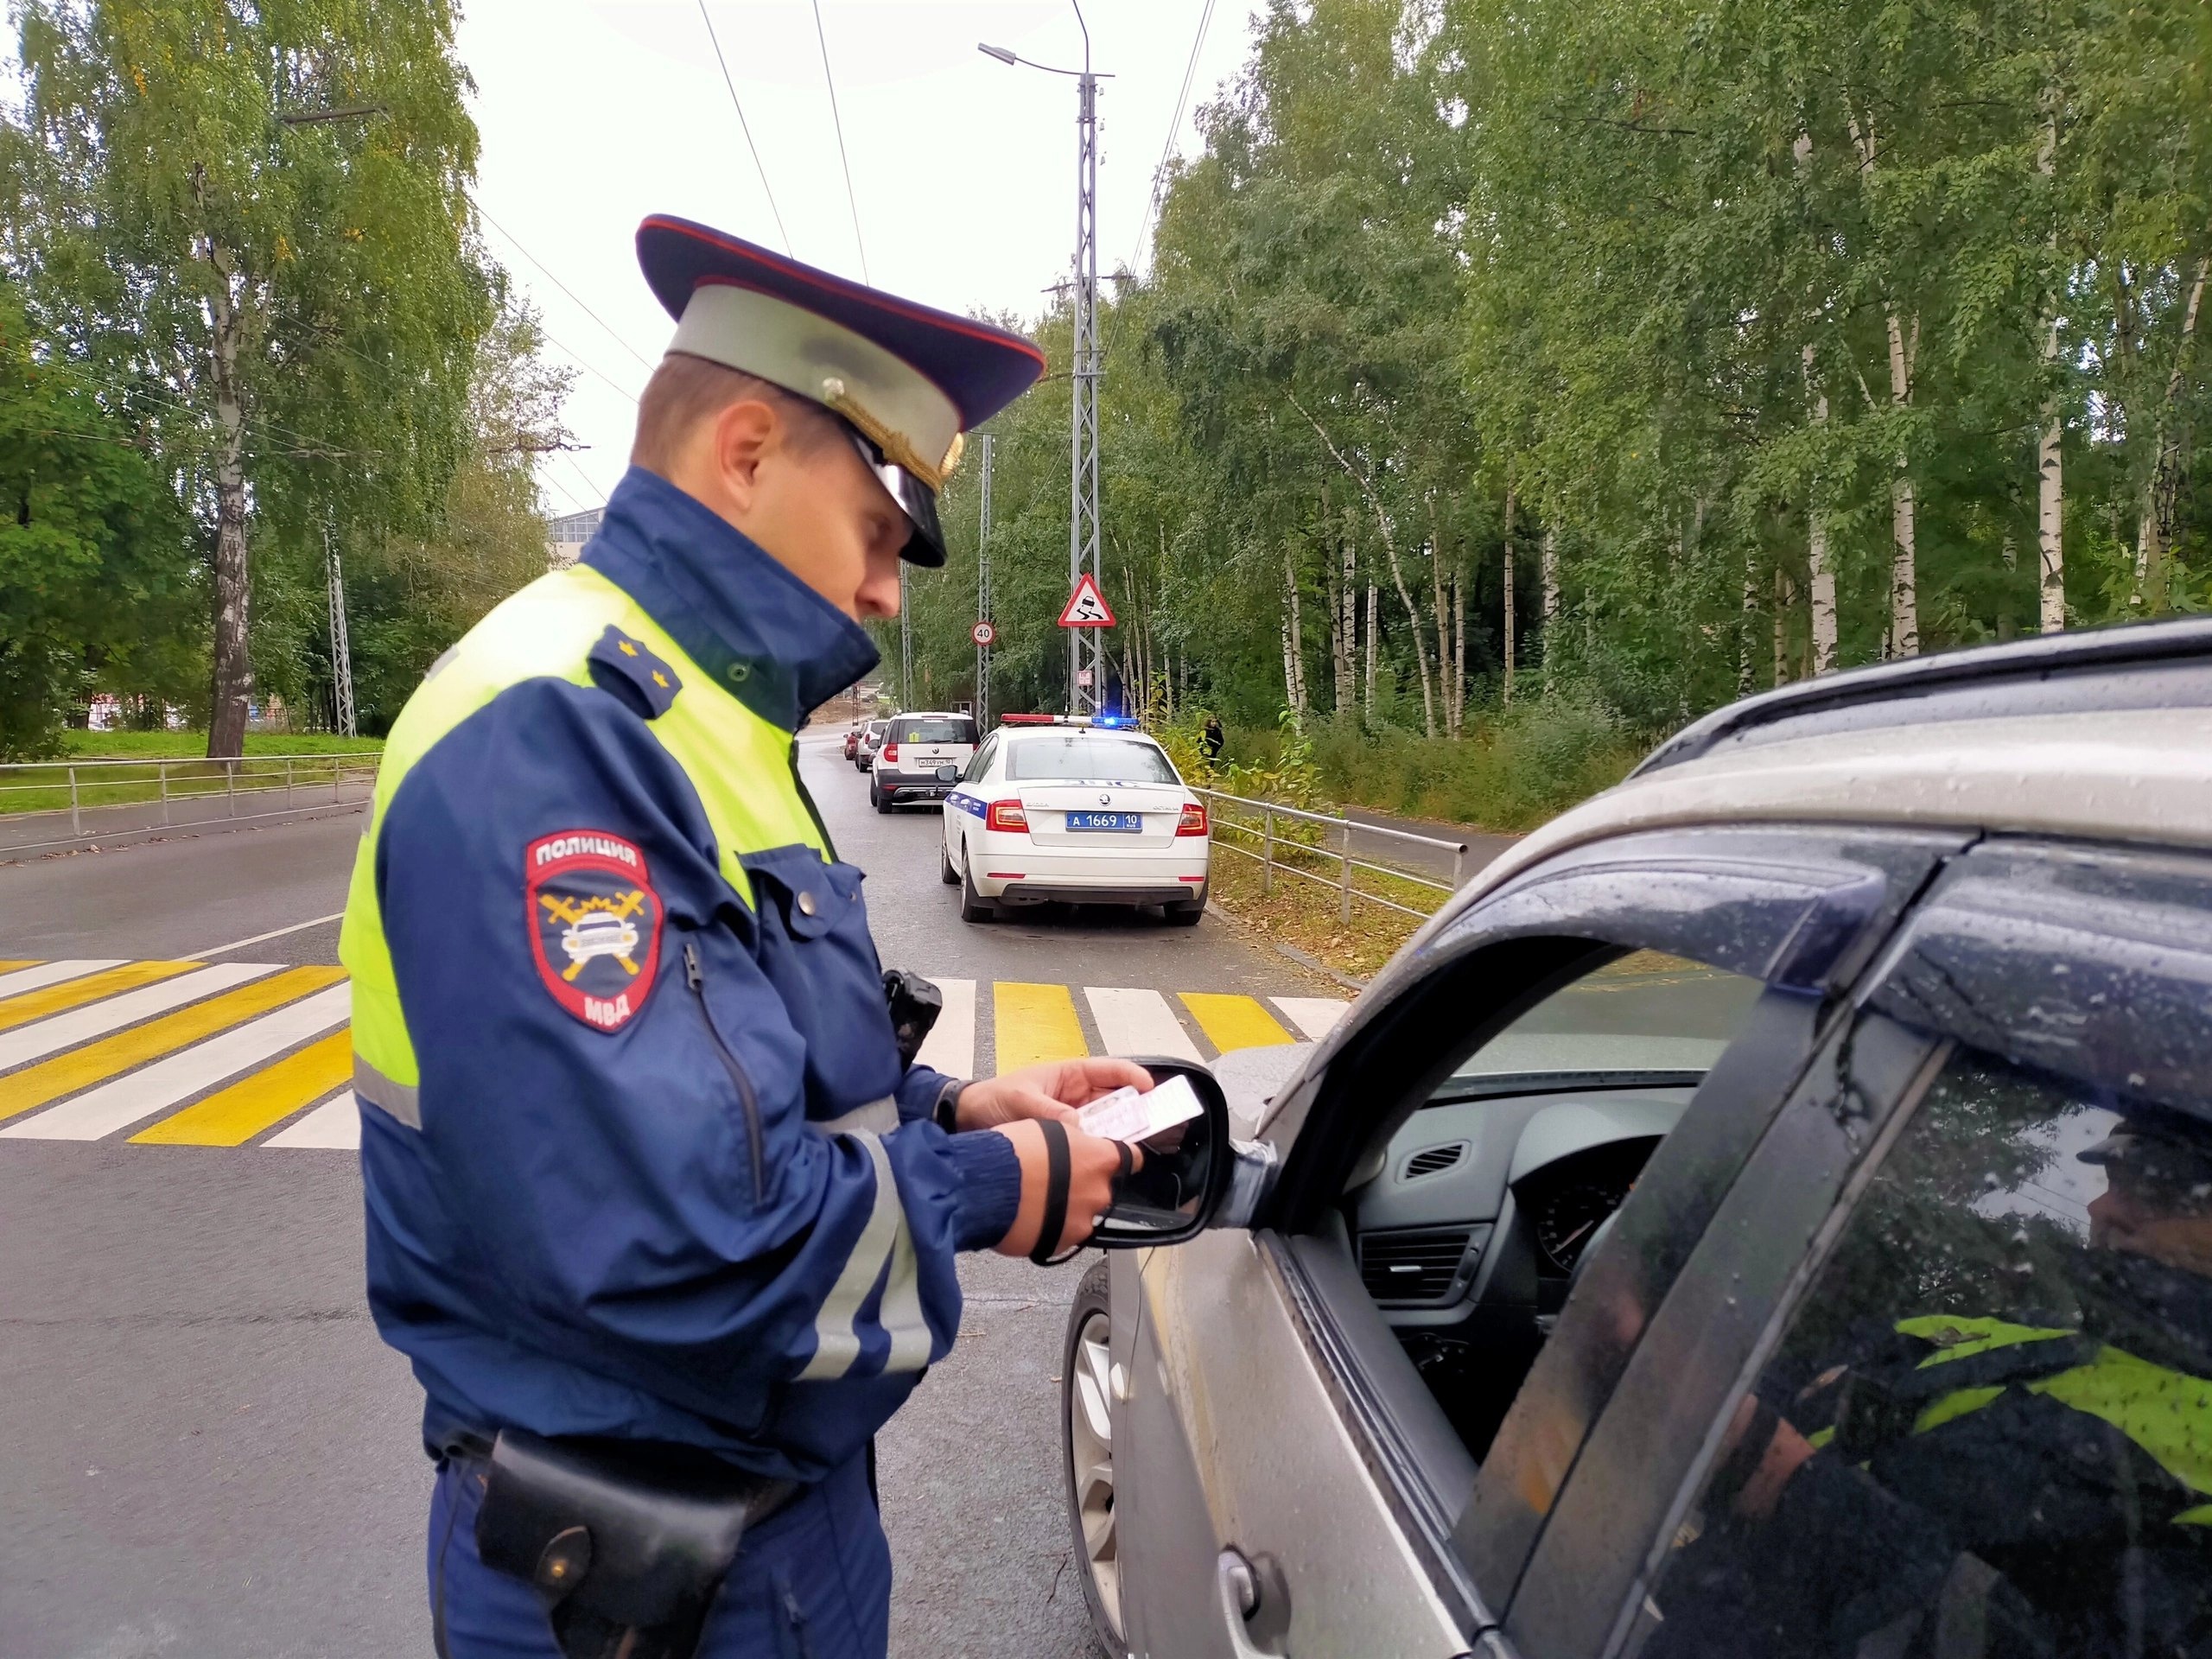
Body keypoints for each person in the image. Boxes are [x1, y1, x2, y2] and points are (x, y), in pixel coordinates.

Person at [338, 215, 1147, 1659]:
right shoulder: (557, 733)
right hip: (635, 1582)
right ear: (750, 451)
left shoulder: (704, 717)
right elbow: (683, 1244)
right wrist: (993, 1182)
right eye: (882, 532)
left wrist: (950, 1105)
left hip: (762, 1534)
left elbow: (745, 1087)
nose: (892, 588)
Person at [1646, 1107, 2212, 1659]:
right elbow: (1811, 1387)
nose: (2103, 1205)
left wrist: (1782, 1483)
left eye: (2160, 1190)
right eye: (2114, 1179)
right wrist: (1675, 1345)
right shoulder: (2028, 1333)